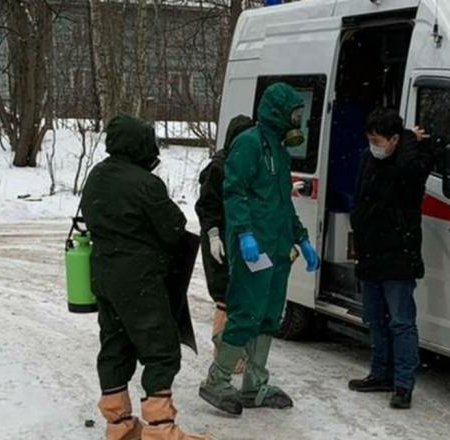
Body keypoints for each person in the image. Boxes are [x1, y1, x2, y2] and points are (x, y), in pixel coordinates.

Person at [81, 114, 208, 440]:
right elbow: (172, 228)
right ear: (140, 146)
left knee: (115, 343)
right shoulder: (145, 184)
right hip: (138, 279)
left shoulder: (96, 176)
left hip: (104, 275)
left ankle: (119, 424)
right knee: (162, 349)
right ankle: (160, 429)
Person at [199, 83, 320, 416]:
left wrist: (302, 238)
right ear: (278, 112)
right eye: (295, 113)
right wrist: (243, 234)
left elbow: (283, 203)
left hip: (279, 249)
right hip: (253, 247)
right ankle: (217, 379)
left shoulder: (279, 150)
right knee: (245, 313)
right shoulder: (248, 144)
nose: (298, 119)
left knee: (269, 316)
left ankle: (254, 384)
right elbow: (233, 192)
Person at [348, 108, 434, 410]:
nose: (373, 144)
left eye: (378, 139)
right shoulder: (369, 159)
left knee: (401, 322)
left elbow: (409, 169)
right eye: (370, 139)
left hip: (398, 254)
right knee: (375, 319)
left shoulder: (410, 162)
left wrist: (410, 139)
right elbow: (360, 197)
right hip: (371, 253)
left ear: (394, 139)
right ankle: (380, 373)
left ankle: (403, 384)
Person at [195, 115, 255, 373]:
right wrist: (213, 235)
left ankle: (237, 352)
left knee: (241, 297)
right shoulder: (218, 168)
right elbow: (207, 206)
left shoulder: (244, 162)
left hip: (240, 237)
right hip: (219, 240)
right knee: (225, 297)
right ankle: (224, 354)